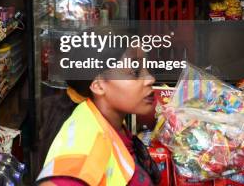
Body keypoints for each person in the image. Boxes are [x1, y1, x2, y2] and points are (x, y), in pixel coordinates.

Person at [37, 43, 159, 186]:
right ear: (98, 85)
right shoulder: (83, 153)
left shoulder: (110, 121)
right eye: (135, 72)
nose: (151, 79)